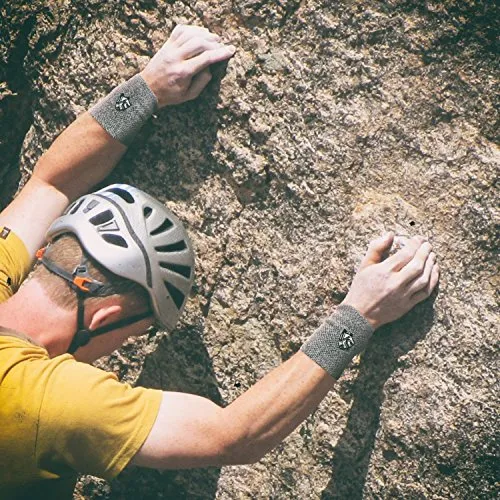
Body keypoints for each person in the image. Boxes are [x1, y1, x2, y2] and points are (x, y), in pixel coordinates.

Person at [0, 24, 439, 499]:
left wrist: (148, 87)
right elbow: (235, 435)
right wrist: (361, 315)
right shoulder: (46, 401)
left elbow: (50, 184)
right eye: (137, 331)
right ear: (104, 316)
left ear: (44, 254)